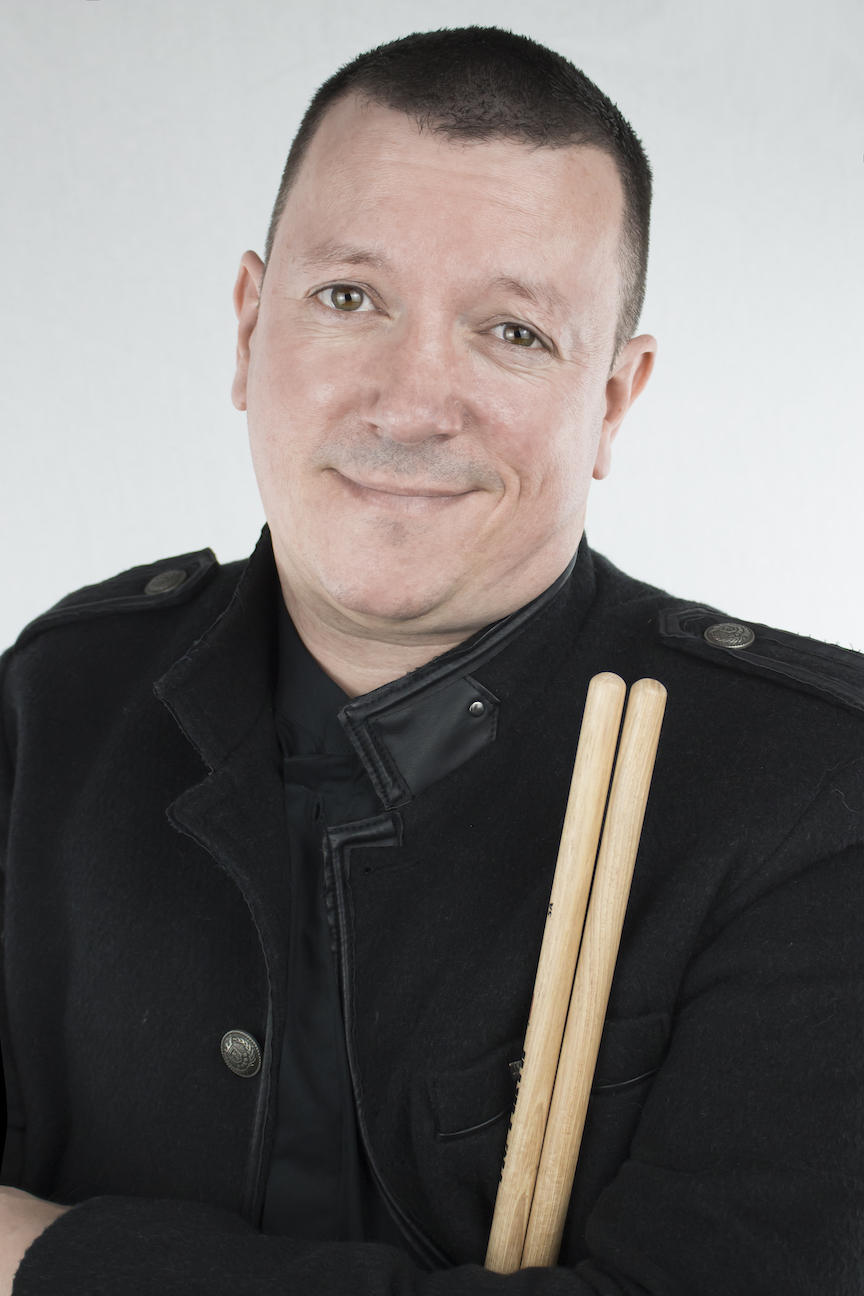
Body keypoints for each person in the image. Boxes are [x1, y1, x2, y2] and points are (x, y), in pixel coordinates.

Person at [1, 25, 863, 1296]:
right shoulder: (62, 697)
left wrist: (46, 1258)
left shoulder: (811, 793)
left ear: (612, 401)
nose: (410, 405)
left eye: (512, 331)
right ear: (248, 328)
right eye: (349, 299)